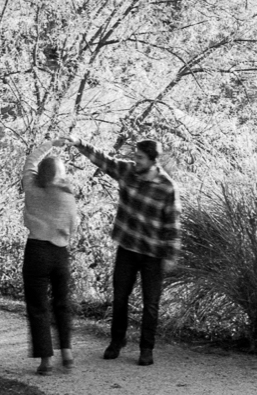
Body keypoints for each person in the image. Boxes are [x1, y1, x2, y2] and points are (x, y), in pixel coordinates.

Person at [58, 135, 180, 367]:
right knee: (119, 298)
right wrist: (79, 143)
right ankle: (117, 341)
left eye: (140, 158)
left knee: (151, 304)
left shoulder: (167, 188)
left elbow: (172, 224)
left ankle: (146, 348)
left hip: (153, 254)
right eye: (135, 156)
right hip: (127, 248)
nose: (135, 161)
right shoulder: (127, 172)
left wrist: (171, 255)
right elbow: (103, 160)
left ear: (153, 161)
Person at [21, 140, 79, 375]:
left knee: (38, 306)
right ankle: (67, 352)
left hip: (36, 250)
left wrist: (50, 144)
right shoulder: (67, 197)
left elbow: (30, 161)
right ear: (60, 174)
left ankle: (46, 360)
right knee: (62, 304)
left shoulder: (32, 188)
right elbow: (74, 226)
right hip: (60, 253)